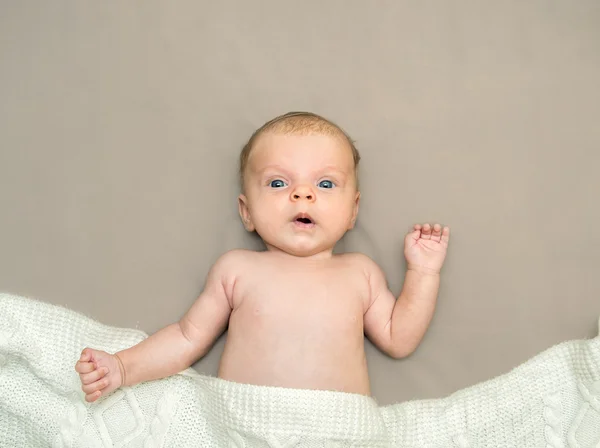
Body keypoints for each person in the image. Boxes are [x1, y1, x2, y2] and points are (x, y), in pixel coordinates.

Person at [75, 111, 451, 402]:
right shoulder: (237, 269)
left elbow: (399, 338)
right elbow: (187, 337)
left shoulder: (360, 273)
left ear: (353, 211)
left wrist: (423, 272)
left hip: (337, 428)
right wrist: (123, 367)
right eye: (277, 183)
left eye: (325, 183)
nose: (302, 194)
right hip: (245, 422)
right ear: (247, 212)